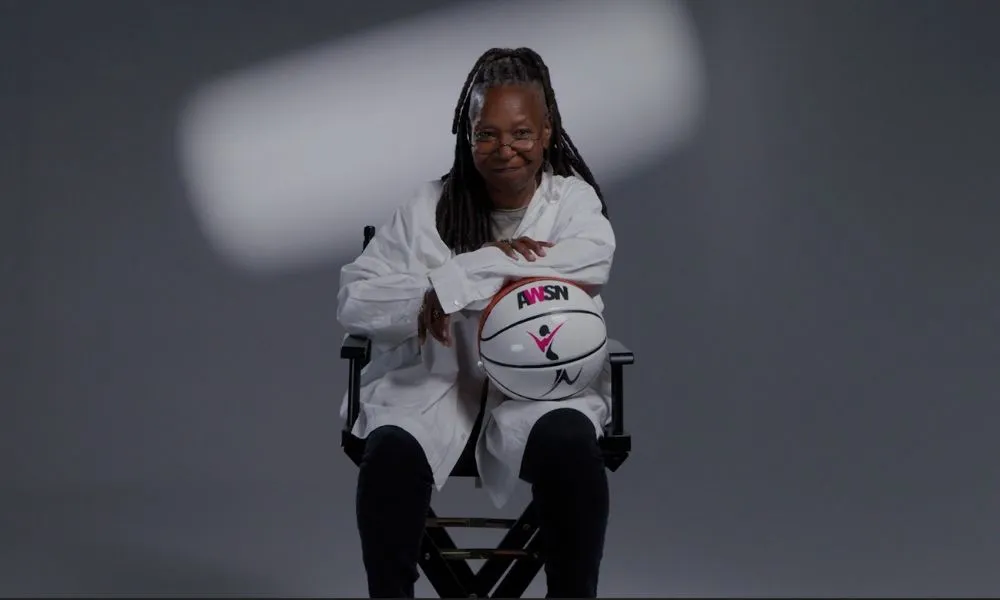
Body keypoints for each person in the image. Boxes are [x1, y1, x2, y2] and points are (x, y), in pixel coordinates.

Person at [337, 46, 616, 598]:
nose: (504, 149)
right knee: (390, 457)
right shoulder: (425, 208)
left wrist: (462, 277)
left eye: (521, 133)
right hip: (434, 387)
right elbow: (356, 299)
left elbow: (591, 262)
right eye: (487, 134)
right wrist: (430, 293)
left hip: (541, 390)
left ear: (546, 133)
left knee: (570, 448)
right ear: (467, 135)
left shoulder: (572, 204)